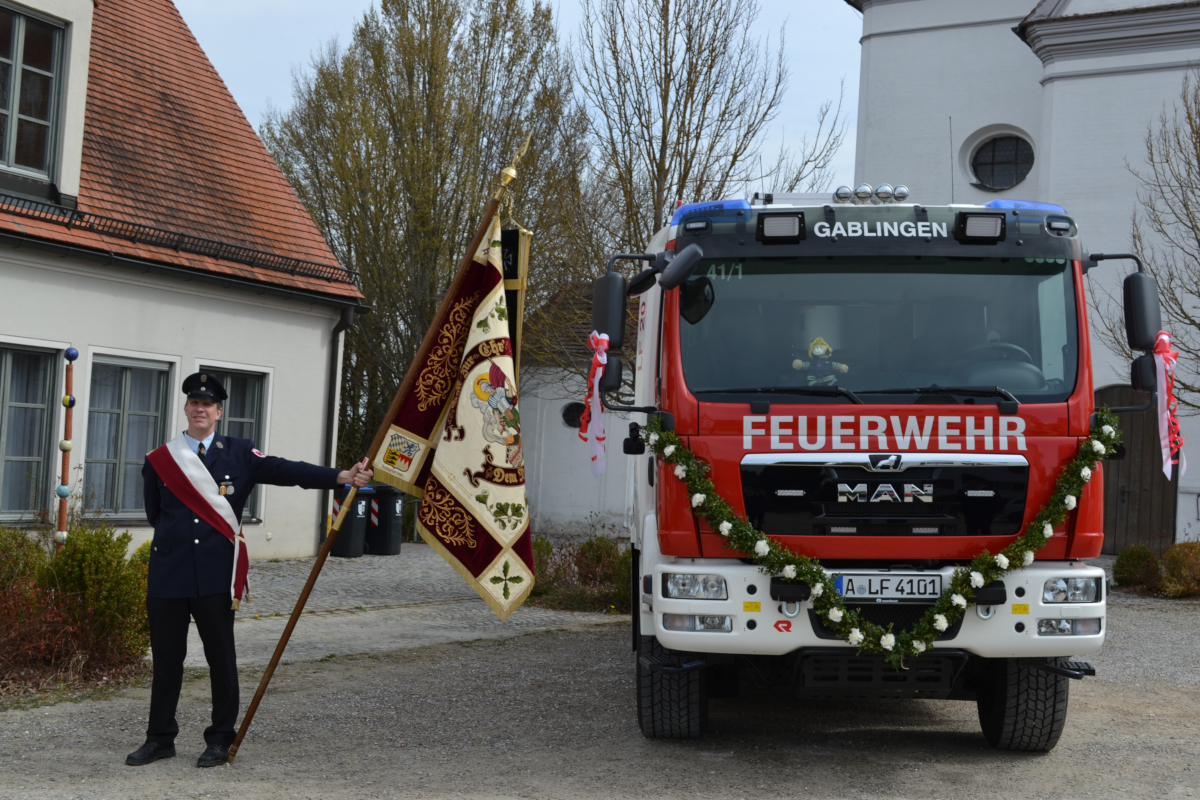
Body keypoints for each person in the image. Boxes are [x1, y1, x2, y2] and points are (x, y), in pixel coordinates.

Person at [125, 372, 372, 768]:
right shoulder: (160, 460)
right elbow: (157, 514)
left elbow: (286, 470)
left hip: (214, 574)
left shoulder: (240, 452)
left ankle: (220, 738)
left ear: (219, 412)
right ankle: (159, 738)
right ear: (186, 409)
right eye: (194, 403)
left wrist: (340, 477)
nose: (200, 409)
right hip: (168, 572)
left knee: (220, 658)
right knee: (167, 660)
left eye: (207, 404)